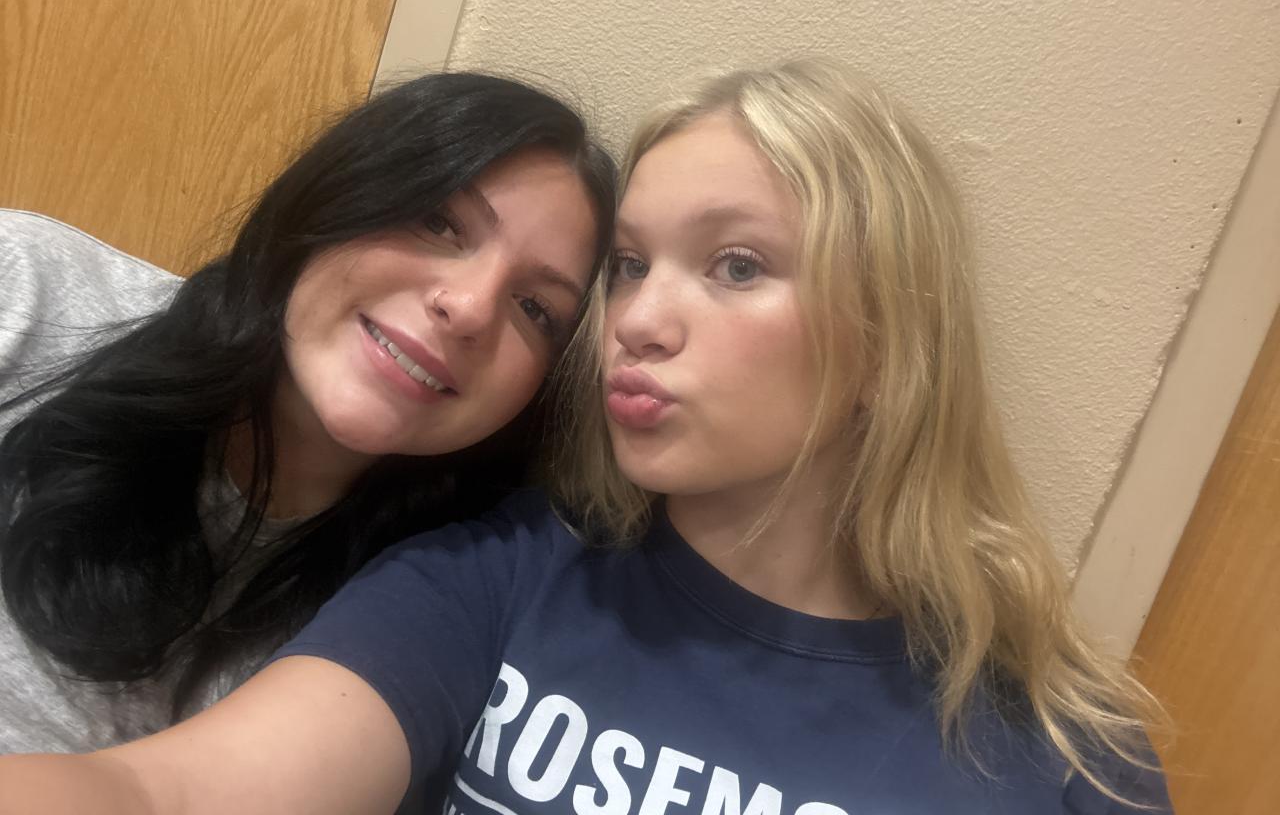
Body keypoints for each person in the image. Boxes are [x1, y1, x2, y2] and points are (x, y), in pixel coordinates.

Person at [0, 58, 1171, 814]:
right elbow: (170, 796)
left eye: (735, 265)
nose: (638, 321)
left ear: (886, 342)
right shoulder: (498, 574)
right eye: (627, 268)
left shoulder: (1065, 758)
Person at [0, 71, 617, 755]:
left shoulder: (447, 612)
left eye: (536, 309)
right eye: (437, 221)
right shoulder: (26, 290)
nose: (469, 307)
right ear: (335, 196)